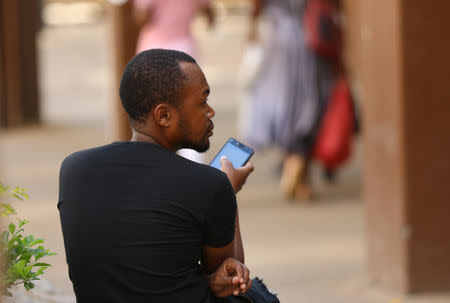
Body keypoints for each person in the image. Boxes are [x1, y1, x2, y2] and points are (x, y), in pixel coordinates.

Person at [58, 49, 277, 302]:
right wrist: (228, 192)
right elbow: (230, 279)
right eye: (202, 101)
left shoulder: (74, 168)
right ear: (164, 115)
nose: (211, 112)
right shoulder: (209, 184)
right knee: (257, 294)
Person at [243, 0, 336, 201]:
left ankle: (292, 163)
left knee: (288, 104)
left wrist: (252, 28)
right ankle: (298, 168)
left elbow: (256, 6)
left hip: (281, 37)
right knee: (307, 104)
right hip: (308, 37)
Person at [132, 0, 215, 163]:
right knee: (188, 109)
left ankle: (156, 163)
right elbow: (209, 14)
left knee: (152, 112)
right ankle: (192, 165)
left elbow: (142, 16)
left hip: (154, 51)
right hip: (184, 50)